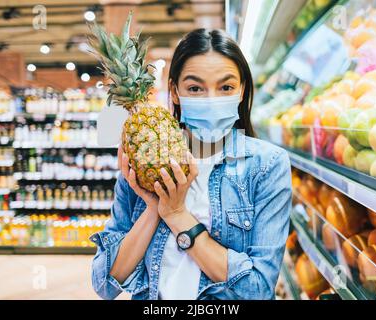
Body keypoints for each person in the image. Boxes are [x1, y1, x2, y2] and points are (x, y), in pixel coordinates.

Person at [90, 28, 292, 300]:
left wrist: (176, 215)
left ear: (242, 91)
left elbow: (257, 290)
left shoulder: (268, 166)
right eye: (195, 88)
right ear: (174, 91)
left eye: (226, 87)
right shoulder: (141, 160)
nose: (211, 100)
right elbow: (105, 285)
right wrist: (153, 208)